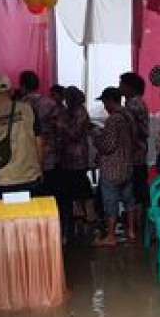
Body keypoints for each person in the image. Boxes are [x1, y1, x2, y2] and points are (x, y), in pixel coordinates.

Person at [0, 73, 43, 195]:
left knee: (10, 214)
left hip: (4, 178)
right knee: (31, 213)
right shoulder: (29, 109)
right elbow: (39, 142)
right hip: (30, 175)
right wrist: (39, 169)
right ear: (11, 91)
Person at [92, 87, 136, 247]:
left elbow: (108, 146)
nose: (104, 106)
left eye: (104, 102)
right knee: (129, 200)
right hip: (127, 165)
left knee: (110, 202)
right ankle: (131, 230)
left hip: (112, 168)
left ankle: (111, 236)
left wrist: (96, 135)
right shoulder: (129, 116)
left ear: (110, 100)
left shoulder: (113, 119)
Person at [58, 86, 97, 227]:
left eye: (67, 97)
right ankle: (79, 211)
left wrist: (61, 125)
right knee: (72, 183)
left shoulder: (81, 112)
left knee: (81, 182)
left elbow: (75, 133)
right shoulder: (68, 112)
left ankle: (90, 212)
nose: (65, 100)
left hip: (77, 155)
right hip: (67, 156)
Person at [19, 70, 58, 194]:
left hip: (27, 157)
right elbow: (58, 129)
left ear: (23, 86)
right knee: (49, 191)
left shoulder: (19, 106)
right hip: (49, 154)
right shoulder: (50, 103)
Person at [119, 72, 150, 231]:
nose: (119, 87)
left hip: (135, 155)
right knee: (138, 187)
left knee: (136, 188)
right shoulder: (136, 103)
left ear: (130, 87)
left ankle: (137, 223)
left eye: (122, 84)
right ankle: (138, 222)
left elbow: (130, 131)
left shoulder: (133, 105)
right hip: (138, 154)